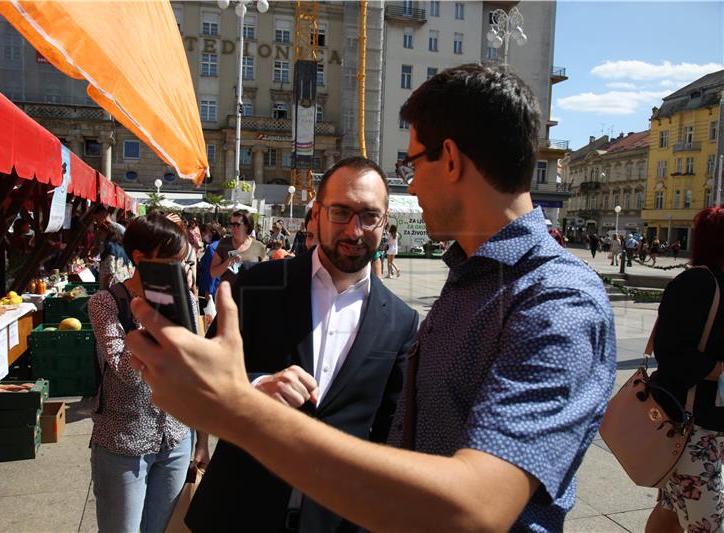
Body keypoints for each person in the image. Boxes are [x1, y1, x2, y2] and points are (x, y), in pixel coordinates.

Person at [125, 65, 616, 532]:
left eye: (413, 161)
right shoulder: (472, 281)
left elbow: (478, 510)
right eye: (341, 212)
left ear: (449, 159)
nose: (413, 183)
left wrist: (237, 409)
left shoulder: (558, 300)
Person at [186, 157, 419, 533]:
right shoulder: (256, 285)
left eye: (369, 216)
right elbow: (199, 379)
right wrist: (257, 387)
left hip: (338, 521)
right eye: (341, 212)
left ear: (385, 218)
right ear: (317, 213)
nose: (354, 230)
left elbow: (389, 434)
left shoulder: (401, 320)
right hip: (240, 510)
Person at [87, 213, 209, 533]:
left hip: (176, 438)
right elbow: (126, 371)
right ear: (140, 258)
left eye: (183, 262)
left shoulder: (185, 302)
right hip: (123, 442)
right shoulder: (106, 302)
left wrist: (201, 439)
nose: (180, 271)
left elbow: (192, 371)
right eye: (171, 261)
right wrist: (152, 318)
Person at [645, 206, 723, 533]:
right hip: (692, 426)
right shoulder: (698, 283)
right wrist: (716, 370)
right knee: (709, 523)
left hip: (711, 423)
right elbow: (669, 351)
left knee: (670, 512)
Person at [210, 210, 266, 286]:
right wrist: (227, 263)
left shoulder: (259, 246)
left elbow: (264, 274)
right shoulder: (224, 243)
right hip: (228, 295)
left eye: (237, 224)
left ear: (247, 226)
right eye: (231, 224)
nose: (232, 228)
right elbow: (213, 273)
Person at [197, 222, 223, 311]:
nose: (204, 235)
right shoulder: (224, 244)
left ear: (213, 233)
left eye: (206, 232)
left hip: (211, 289)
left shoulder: (211, 248)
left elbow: (211, 271)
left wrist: (208, 292)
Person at [97, 226, 134, 290]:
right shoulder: (122, 248)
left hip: (113, 288)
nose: (100, 236)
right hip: (123, 286)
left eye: (101, 233)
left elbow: (109, 271)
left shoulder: (110, 246)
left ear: (107, 235)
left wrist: (103, 289)